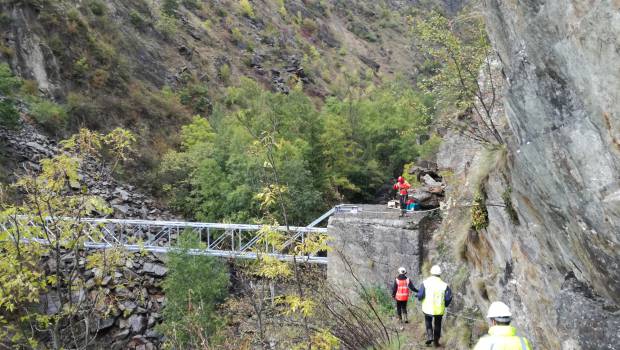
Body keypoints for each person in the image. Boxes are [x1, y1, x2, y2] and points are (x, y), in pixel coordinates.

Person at [417, 265, 452, 347]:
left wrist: (419, 298)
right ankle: (436, 342)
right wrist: (446, 304)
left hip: (427, 308)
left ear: (431, 273)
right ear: (440, 274)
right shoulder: (445, 285)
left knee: (428, 321)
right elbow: (449, 297)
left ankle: (430, 336)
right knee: (438, 325)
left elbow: (420, 295)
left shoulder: (425, 283)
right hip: (439, 309)